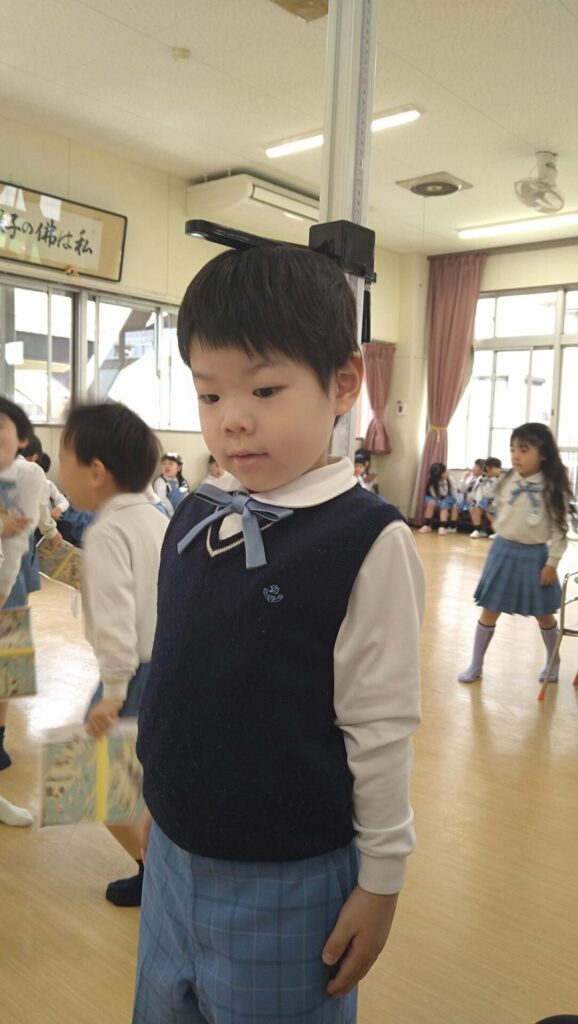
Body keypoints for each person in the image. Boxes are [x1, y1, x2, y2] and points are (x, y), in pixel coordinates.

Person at [134, 243, 425, 1024]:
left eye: (264, 389)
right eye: (208, 393)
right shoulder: (195, 511)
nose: (231, 417)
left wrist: (381, 881)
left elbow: (380, 726)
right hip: (173, 854)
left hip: (286, 880)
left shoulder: (366, 541)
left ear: (343, 383)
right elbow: (181, 668)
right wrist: (161, 792)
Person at [59, 402, 168, 906]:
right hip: (165, 667)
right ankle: (158, 871)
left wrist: (114, 692)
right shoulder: (157, 517)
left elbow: (116, 620)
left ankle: (157, 874)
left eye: (65, 459)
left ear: (96, 471)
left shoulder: (105, 532)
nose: (60, 472)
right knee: (143, 778)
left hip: (131, 676)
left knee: (98, 782)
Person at [458, 423, 578, 685]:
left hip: (534, 557)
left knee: (543, 614)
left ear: (543, 454)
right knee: (489, 610)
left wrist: (552, 563)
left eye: (524, 450)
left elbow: (559, 530)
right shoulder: (507, 479)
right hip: (502, 552)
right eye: (513, 449)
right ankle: (476, 664)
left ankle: (553, 660)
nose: (515, 456)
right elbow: (499, 509)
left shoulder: (550, 488)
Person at [0, 398, 60, 771]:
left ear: (22, 438)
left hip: (9, 571)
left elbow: (23, 528)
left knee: (8, 655)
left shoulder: (28, 474)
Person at [469, 456, 502, 539]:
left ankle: (498, 532)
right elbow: (479, 492)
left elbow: (500, 495)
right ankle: (477, 530)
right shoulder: (481, 479)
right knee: (475, 509)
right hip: (484, 500)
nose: (496, 470)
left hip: (496, 502)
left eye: (497, 468)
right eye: (489, 468)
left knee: (490, 513)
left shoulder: (500, 481)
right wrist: (478, 503)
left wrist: (493, 505)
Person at [418, 462, 455, 535]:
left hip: (448, 498)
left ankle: (442, 526)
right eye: (445, 471)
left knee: (444, 504)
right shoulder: (432, 482)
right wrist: (438, 501)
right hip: (434, 498)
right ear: (440, 474)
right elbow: (434, 495)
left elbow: (451, 493)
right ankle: (427, 525)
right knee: (431, 503)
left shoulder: (450, 479)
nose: (447, 472)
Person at [450, 458, 487, 530]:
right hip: (466, 502)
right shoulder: (471, 478)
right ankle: (452, 527)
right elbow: (461, 489)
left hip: (476, 502)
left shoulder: (483, 479)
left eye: (475, 466)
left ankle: (477, 529)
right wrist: (464, 478)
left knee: (473, 508)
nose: (473, 468)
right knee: (455, 505)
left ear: (481, 469)